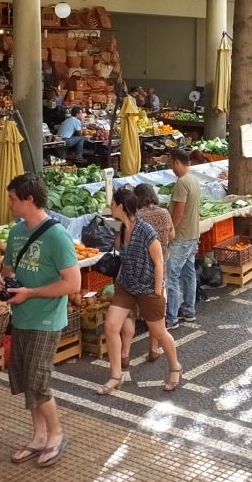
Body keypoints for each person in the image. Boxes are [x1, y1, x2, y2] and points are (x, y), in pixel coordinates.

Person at [0, 174, 80, 468]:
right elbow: (8, 269)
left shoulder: (57, 236)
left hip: (47, 319)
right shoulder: (16, 233)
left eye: (12, 199)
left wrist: (31, 292)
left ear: (29, 199)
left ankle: (56, 434)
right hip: (21, 317)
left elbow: (73, 283)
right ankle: (39, 436)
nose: (9, 204)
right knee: (24, 379)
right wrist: (5, 283)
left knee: (38, 380)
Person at [97, 187, 183, 394]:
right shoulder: (123, 229)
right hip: (126, 286)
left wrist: (155, 291)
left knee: (159, 333)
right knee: (110, 326)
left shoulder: (145, 230)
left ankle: (175, 367)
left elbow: (159, 261)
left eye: (112, 204)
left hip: (147, 288)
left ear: (120, 206)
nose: (110, 208)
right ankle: (115, 376)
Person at [134, 183, 175, 362]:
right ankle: (153, 347)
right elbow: (172, 234)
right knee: (157, 310)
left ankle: (124, 352)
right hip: (161, 267)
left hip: (141, 268)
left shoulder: (137, 216)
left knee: (133, 308)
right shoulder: (164, 212)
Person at [165, 149, 201, 330]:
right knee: (189, 273)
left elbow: (178, 213)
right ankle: (189, 311)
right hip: (193, 234)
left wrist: (169, 232)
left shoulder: (181, 183)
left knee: (172, 276)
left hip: (181, 237)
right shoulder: (194, 179)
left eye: (171, 163)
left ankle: (171, 318)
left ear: (177, 162)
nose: (171, 167)